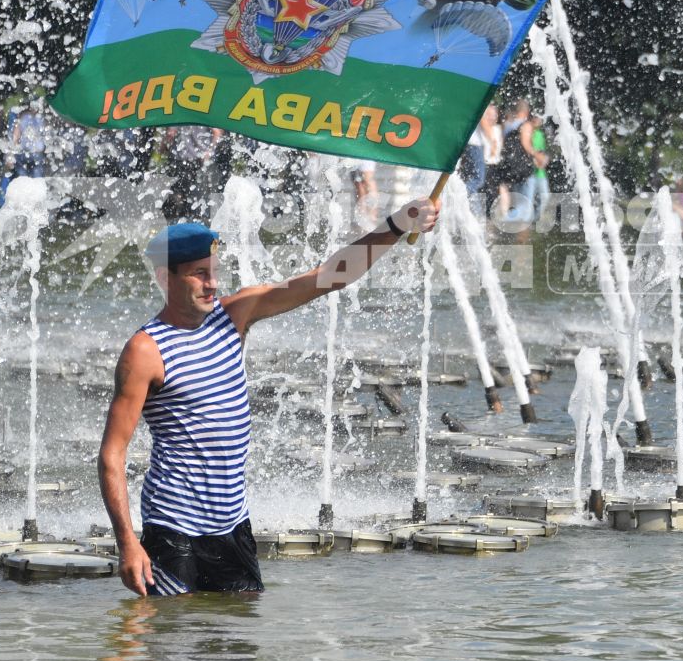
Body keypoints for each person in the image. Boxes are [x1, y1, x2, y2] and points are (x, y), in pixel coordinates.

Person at [100, 201, 440, 596]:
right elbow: (112, 454)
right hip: (175, 530)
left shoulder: (234, 315)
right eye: (198, 276)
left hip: (233, 525)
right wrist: (127, 542)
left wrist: (396, 226)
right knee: (171, 642)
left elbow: (329, 277)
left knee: (241, 643)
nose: (212, 285)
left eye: (213, 273)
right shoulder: (144, 351)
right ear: (165, 278)